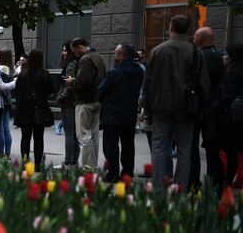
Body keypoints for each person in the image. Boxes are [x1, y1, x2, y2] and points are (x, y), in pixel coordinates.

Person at [142, 14, 210, 188]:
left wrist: (146, 108)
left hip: (161, 106)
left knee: (159, 146)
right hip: (187, 107)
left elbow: (148, 83)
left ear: (171, 27)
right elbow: (204, 84)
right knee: (184, 149)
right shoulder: (196, 52)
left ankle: (158, 185)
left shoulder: (157, 51)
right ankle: (180, 186)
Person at [97, 44, 144, 182]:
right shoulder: (139, 71)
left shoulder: (114, 72)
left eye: (116, 52)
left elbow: (101, 91)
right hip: (129, 113)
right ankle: (127, 173)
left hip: (112, 114)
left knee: (111, 147)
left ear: (122, 56)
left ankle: (113, 173)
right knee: (128, 145)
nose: (115, 54)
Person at [192, 27, 226, 188]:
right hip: (216, 109)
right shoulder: (221, 57)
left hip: (200, 107)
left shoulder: (199, 57)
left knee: (193, 146)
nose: (193, 38)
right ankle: (215, 181)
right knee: (213, 148)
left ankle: (194, 180)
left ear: (201, 39)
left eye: (195, 36)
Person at [65, 37, 106, 169]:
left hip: (85, 102)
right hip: (96, 100)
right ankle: (92, 165)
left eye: (75, 51)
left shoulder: (86, 59)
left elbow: (83, 82)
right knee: (93, 136)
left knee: (84, 136)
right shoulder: (98, 57)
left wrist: (72, 81)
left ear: (79, 48)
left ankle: (88, 167)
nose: (74, 55)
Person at [14, 49, 54, 164]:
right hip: (39, 110)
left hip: (24, 110)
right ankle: (37, 164)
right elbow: (50, 92)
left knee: (25, 138)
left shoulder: (22, 75)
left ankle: (26, 163)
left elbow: (17, 92)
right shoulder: (44, 74)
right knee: (39, 139)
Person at [219, 44, 243, 186]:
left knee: (229, 149)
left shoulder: (231, 73)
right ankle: (239, 176)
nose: (223, 56)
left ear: (233, 56)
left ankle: (229, 178)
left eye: (226, 54)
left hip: (232, 117)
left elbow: (226, 97)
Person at [55, 41, 80, 167]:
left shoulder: (70, 65)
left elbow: (69, 86)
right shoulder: (76, 63)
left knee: (69, 133)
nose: (62, 53)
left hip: (69, 103)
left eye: (65, 50)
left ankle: (68, 160)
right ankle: (74, 159)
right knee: (74, 133)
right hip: (74, 102)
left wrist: (60, 97)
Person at [0, 49, 15, 157]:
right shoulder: (12, 69)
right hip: (8, 100)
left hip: (0, 100)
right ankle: (8, 152)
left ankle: (1, 152)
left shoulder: (0, 69)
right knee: (7, 128)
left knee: (1, 129)